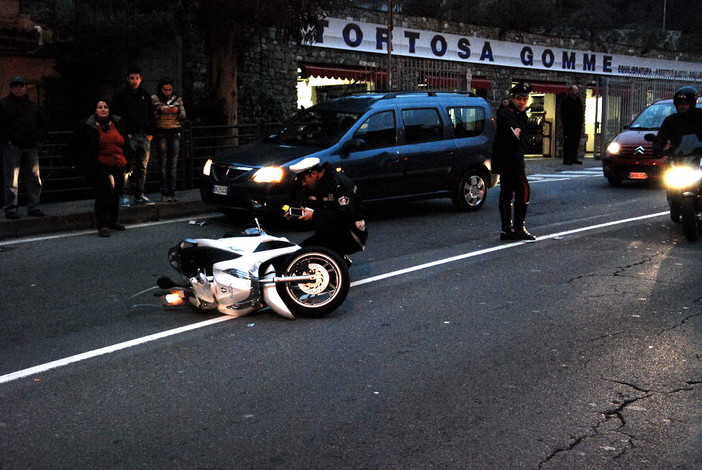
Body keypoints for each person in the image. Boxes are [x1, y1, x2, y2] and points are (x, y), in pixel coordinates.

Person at [69, 100, 133, 237]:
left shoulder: (117, 123)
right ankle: (102, 224)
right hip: (99, 163)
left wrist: (129, 161)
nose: (103, 110)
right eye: (100, 108)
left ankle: (112, 221)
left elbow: (125, 142)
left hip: (118, 162)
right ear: (95, 110)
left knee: (116, 192)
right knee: (104, 191)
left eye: (105, 107)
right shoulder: (88, 125)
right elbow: (79, 144)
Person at [287, 157, 368, 265]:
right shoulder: (314, 185)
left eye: (304, 180)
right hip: (326, 232)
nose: (303, 184)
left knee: (312, 256)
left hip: (350, 233)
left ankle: (338, 260)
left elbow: (345, 215)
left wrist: (314, 216)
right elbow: (305, 204)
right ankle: (338, 259)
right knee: (298, 254)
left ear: (314, 174)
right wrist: (296, 214)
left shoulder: (340, 184)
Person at [492, 81, 536, 241]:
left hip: (508, 159)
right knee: (524, 190)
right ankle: (518, 228)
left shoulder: (519, 114)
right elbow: (514, 136)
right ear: (512, 98)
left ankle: (507, 230)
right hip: (511, 160)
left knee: (507, 193)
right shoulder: (507, 113)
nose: (522, 102)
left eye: (525, 99)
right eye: (519, 98)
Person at [0, 75, 45, 219]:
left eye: (21, 86)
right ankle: (15, 208)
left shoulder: (31, 106)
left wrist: (37, 137)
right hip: (15, 145)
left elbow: (41, 123)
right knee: (14, 179)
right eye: (16, 86)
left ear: (25, 88)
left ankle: (29, 207)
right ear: (11, 88)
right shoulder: (5, 105)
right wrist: (7, 140)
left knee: (32, 178)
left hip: (26, 144)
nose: (18, 88)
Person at [111, 67, 154, 206]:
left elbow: (151, 114)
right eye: (131, 78)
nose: (134, 81)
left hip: (143, 135)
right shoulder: (121, 95)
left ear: (141, 79)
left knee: (142, 166)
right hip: (128, 135)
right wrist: (124, 133)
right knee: (127, 166)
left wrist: (150, 133)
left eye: (137, 78)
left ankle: (139, 194)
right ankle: (125, 194)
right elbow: (116, 116)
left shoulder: (146, 95)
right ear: (127, 79)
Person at [151, 78, 186, 202]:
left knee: (173, 163)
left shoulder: (178, 99)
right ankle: (164, 191)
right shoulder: (154, 99)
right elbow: (151, 116)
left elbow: (183, 115)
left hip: (174, 131)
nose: (167, 92)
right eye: (165, 90)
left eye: (170, 90)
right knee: (163, 163)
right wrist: (161, 110)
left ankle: (172, 191)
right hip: (161, 132)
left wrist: (177, 111)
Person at [653, 86, 702, 157]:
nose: (682, 107)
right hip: (678, 157)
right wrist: (658, 148)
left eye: (686, 104)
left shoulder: (700, 117)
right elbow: (662, 137)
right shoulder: (671, 120)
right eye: (680, 104)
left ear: (692, 104)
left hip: (698, 156)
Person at [560, 85, 584, 165]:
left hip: (577, 126)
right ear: (570, 91)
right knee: (568, 143)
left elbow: (581, 112)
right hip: (569, 126)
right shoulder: (566, 101)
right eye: (575, 90)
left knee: (575, 142)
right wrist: (566, 125)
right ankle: (567, 158)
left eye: (577, 90)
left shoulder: (578, 100)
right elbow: (563, 114)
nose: (576, 92)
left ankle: (574, 157)